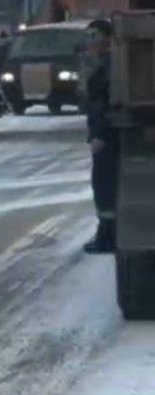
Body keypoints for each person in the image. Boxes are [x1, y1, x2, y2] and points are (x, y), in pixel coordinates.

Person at [83, 19, 118, 254]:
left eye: (95, 35)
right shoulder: (103, 63)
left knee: (104, 185)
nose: (91, 40)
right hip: (106, 132)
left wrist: (99, 135)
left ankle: (108, 236)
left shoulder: (110, 66)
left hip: (108, 135)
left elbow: (104, 104)